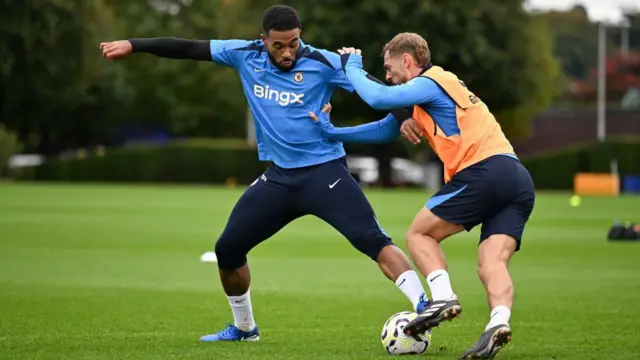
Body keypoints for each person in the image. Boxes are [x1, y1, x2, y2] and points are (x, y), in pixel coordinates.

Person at [100, 6, 430, 343]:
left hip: (325, 173)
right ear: (263, 40)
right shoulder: (244, 54)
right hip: (280, 179)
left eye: (294, 43)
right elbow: (188, 47)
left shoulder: (324, 61)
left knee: (372, 240)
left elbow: (378, 91)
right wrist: (134, 44)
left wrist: (404, 115)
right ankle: (245, 329)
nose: (288, 52)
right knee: (227, 250)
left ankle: (424, 305)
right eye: (279, 46)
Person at [308, 32, 536, 359]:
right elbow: (384, 128)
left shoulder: (432, 80)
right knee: (491, 262)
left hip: (484, 170)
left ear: (407, 61)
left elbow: (377, 97)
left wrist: (352, 65)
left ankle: (442, 297)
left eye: (389, 68)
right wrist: (332, 133)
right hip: (516, 178)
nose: (387, 76)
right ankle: (499, 322)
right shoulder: (426, 98)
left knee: (419, 235)